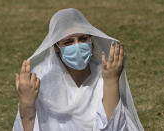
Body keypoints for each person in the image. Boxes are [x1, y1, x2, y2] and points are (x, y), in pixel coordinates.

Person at [12, 8, 144, 131]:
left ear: (91, 40)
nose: (77, 46)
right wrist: (26, 102)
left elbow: (115, 127)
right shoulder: (42, 79)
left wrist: (111, 81)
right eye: (68, 42)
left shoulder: (103, 75)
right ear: (56, 47)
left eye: (83, 39)